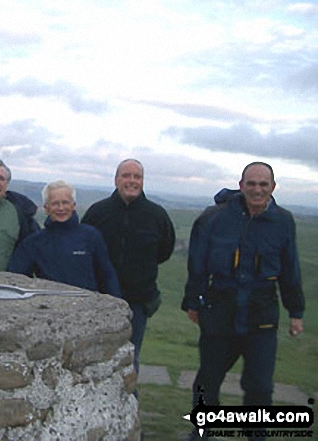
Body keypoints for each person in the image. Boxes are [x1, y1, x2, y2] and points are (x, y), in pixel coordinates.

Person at [181, 162, 304, 441]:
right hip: (220, 308)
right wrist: (193, 301)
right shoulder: (214, 217)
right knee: (207, 380)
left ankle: (256, 436)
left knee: (260, 386)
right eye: (251, 183)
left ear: (273, 187)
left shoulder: (283, 221)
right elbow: (197, 263)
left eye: (263, 184)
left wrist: (295, 312)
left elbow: (290, 267)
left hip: (262, 314)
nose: (257, 189)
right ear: (241, 185)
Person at [82, 159, 176, 375]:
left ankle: (127, 406)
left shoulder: (157, 215)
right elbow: (85, 248)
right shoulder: (98, 212)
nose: (132, 181)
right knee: (95, 359)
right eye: (126, 176)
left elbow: (164, 252)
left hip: (138, 302)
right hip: (100, 300)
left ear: (142, 181)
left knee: (129, 361)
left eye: (137, 177)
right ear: (116, 180)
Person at [8, 180, 121, 297]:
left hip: (88, 308)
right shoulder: (34, 242)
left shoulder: (91, 236)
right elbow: (16, 277)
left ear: (73, 206)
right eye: (55, 203)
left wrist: (116, 304)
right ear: (46, 208)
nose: (61, 208)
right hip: (49, 308)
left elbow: (107, 276)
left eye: (65, 202)